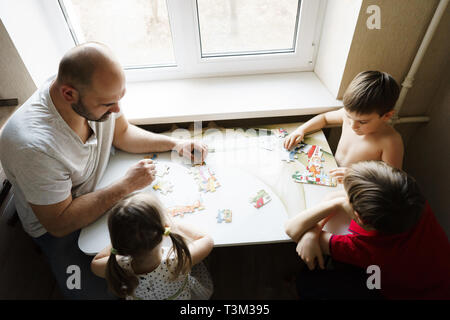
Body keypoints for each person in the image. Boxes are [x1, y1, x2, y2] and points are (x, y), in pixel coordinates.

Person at [0, 42, 208, 299]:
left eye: (120, 98)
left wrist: (175, 143)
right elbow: (59, 223)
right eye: (109, 104)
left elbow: (122, 133)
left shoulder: (91, 94)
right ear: (68, 94)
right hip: (61, 227)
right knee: (99, 293)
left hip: (106, 187)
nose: (118, 110)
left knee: (150, 254)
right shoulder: (31, 146)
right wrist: (125, 186)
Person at [285, 161, 450, 299]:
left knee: (307, 282)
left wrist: (334, 207)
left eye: (346, 197)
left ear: (358, 217)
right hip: (436, 276)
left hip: (402, 293)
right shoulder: (413, 203)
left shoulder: (367, 249)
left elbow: (292, 229)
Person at [284, 71, 403, 182]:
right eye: (348, 116)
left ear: (387, 116)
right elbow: (324, 118)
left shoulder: (390, 141)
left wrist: (356, 175)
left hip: (356, 187)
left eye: (362, 122)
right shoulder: (349, 117)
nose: (353, 125)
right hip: (331, 175)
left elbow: (392, 180)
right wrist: (301, 130)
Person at [91, 192, 214, 300]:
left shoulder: (120, 266)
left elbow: (95, 263)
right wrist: (171, 223)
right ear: (163, 230)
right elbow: (207, 240)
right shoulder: (177, 260)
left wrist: (121, 235)